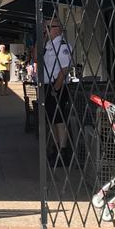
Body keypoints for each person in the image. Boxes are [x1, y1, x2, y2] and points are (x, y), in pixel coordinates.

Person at [41, 18, 73, 167]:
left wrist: (57, 88)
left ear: (57, 28)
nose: (45, 29)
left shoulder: (62, 46)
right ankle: (55, 147)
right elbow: (36, 58)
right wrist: (41, 39)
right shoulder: (48, 45)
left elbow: (64, 69)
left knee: (59, 119)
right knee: (52, 119)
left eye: (48, 27)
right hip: (48, 85)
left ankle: (63, 150)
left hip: (56, 85)